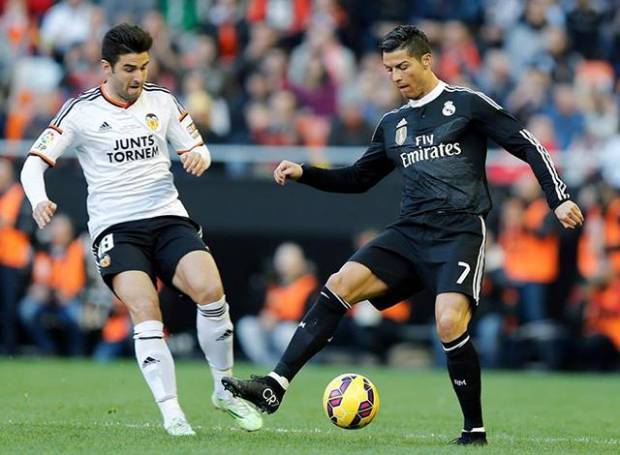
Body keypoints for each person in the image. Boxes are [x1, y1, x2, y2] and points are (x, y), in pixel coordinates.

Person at [222, 25, 584, 446]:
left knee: (448, 321)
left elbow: (526, 144)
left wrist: (557, 198)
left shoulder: (466, 104)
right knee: (339, 285)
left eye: (402, 66)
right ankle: (274, 386)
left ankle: (474, 430)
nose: (395, 76)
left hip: (459, 231)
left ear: (426, 60)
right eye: (388, 69)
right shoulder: (393, 124)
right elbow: (358, 179)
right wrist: (305, 172)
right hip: (410, 233)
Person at [20, 23, 262, 436]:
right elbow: (32, 163)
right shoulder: (81, 111)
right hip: (117, 228)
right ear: (106, 67)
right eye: (130, 68)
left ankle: (224, 388)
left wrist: (198, 157)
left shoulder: (163, 101)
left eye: (144, 67)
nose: (138, 77)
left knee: (211, 291)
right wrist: (39, 199)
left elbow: (195, 146)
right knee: (146, 311)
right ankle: (172, 412)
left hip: (168, 217)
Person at [19, 214, 85, 356]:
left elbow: (79, 281)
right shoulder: (41, 250)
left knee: (77, 314)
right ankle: (47, 349)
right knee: (27, 309)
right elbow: (33, 279)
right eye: (55, 227)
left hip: (70, 297)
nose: (57, 231)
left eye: (61, 227)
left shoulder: (77, 249)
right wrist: (35, 289)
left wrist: (67, 292)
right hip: (46, 297)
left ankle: (76, 353)